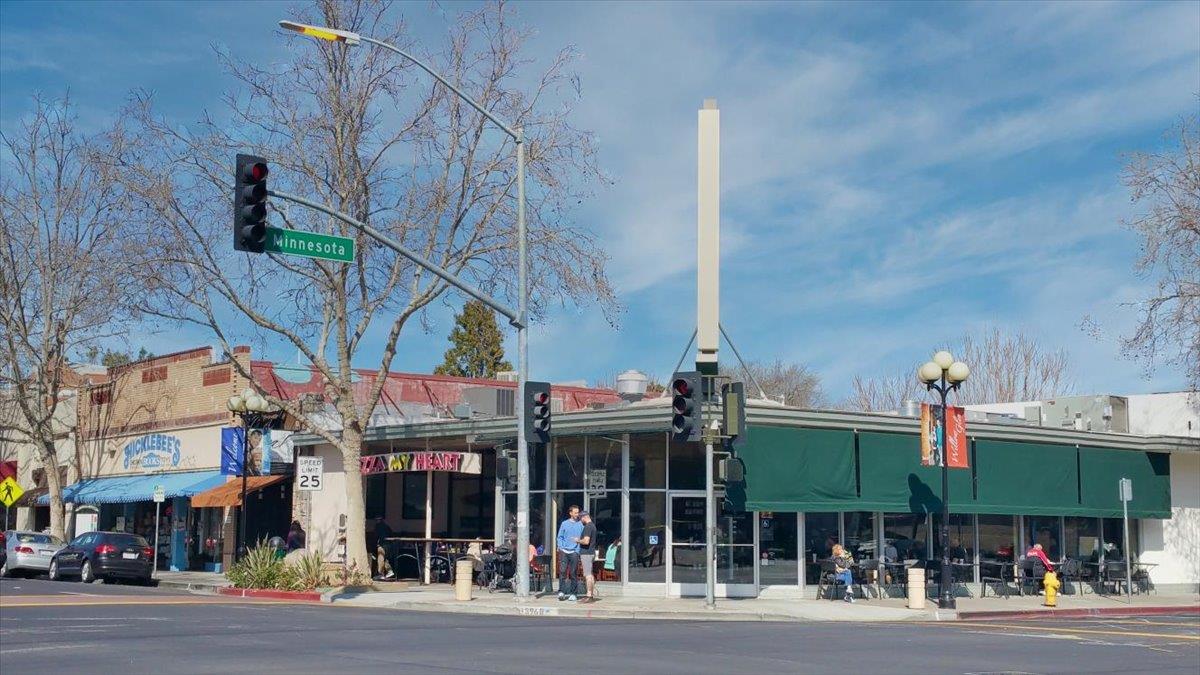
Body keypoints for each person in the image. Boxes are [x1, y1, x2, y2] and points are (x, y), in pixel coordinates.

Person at [555, 505, 583, 602]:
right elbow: (560, 537)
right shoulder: (564, 524)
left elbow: (582, 539)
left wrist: (577, 550)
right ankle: (561, 592)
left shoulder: (580, 524)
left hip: (574, 552)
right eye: (575, 512)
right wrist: (561, 547)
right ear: (570, 513)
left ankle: (573, 593)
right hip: (564, 552)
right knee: (562, 572)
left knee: (573, 573)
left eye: (578, 512)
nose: (577, 514)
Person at [577, 511, 598, 603]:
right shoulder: (593, 526)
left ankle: (589, 595)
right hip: (591, 552)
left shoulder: (588, 527)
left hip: (586, 553)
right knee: (591, 574)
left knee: (587, 575)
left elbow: (586, 541)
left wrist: (577, 540)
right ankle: (591, 595)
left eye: (581, 518)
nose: (580, 520)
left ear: (584, 517)